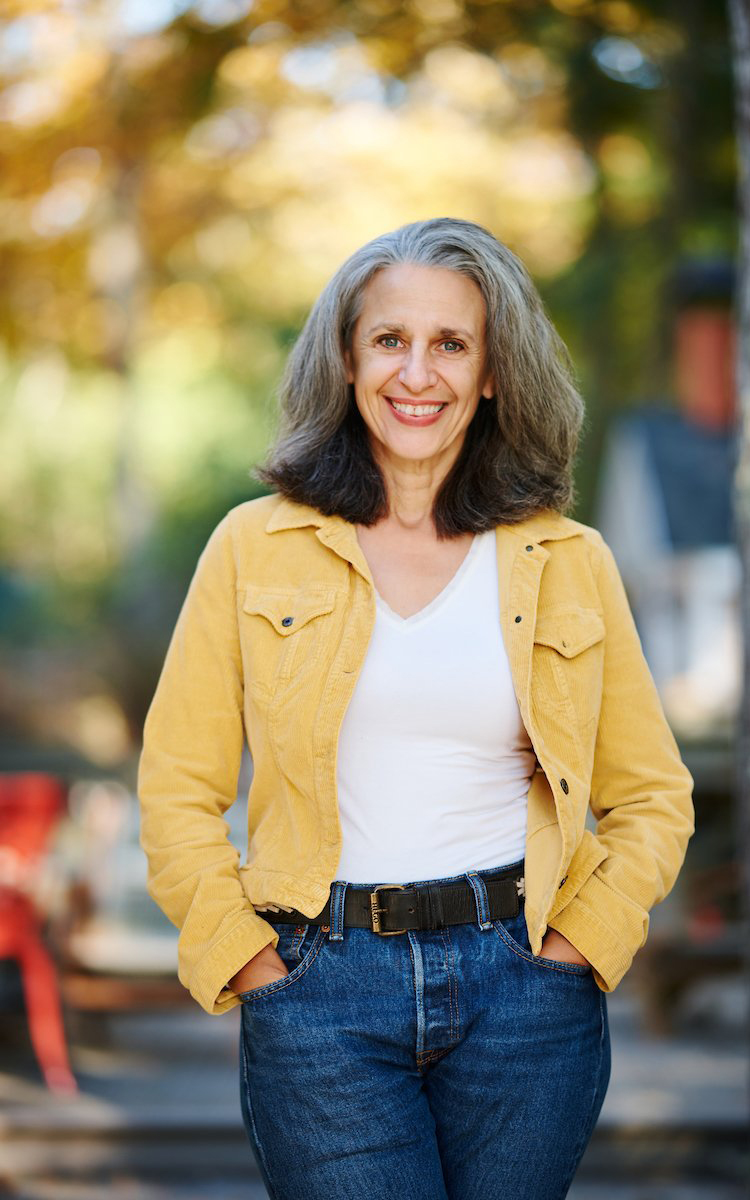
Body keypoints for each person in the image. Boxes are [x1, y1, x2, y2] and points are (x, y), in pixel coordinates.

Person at [138, 217, 695, 1200]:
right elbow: (177, 789)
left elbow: (651, 794)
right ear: (347, 360)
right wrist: (253, 965)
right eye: (389, 339)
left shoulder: (568, 561)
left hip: (525, 986)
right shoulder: (252, 548)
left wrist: (579, 948)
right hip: (320, 986)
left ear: (492, 374)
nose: (416, 373)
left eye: (451, 344)